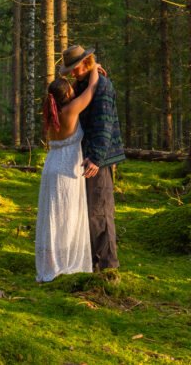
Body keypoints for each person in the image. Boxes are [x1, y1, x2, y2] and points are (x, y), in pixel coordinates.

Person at [58, 44, 125, 273]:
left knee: (101, 212)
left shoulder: (102, 87)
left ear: (86, 64)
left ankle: (109, 267)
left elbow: (104, 124)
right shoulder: (84, 84)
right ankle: (93, 264)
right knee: (88, 212)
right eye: (71, 70)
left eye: (75, 68)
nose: (73, 73)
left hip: (98, 160)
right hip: (85, 158)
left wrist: (96, 157)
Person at [34, 67, 101, 283]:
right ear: (68, 94)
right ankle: (66, 262)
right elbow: (91, 89)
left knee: (52, 217)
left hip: (51, 166)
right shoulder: (71, 110)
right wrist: (94, 68)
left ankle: (51, 263)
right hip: (66, 170)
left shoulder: (51, 114)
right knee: (67, 217)